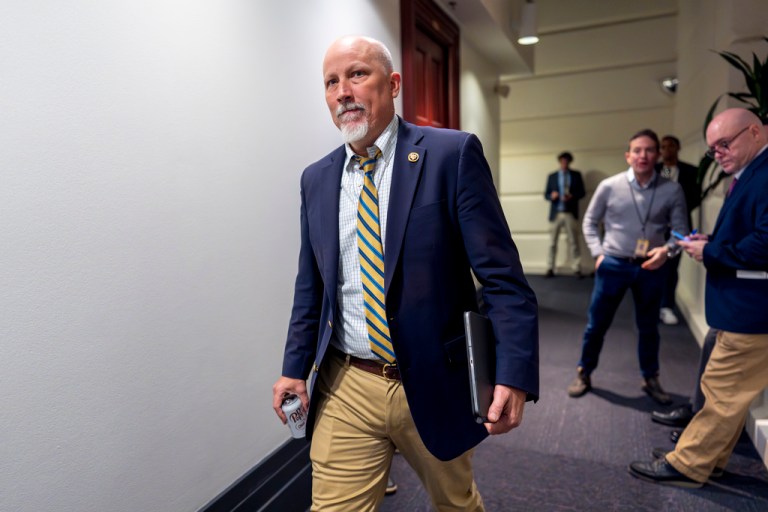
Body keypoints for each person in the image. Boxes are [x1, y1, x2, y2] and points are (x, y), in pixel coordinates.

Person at [271, 35, 539, 511]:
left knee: (455, 503)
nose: (342, 92)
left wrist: (513, 372)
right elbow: (310, 287)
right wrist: (295, 369)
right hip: (347, 381)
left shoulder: (450, 156)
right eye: (331, 82)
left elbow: (503, 279)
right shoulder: (316, 178)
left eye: (356, 74)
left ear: (392, 83)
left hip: (435, 378)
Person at [630, 108, 768, 488]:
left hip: (752, 309)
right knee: (724, 391)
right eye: (712, 149)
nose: (718, 153)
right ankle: (711, 460)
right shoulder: (750, 173)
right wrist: (712, 242)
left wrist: (710, 253)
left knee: (721, 392)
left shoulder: (765, 174)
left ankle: (688, 465)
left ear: (754, 132)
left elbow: (765, 243)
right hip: (742, 305)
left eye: (725, 144)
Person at [567, 129, 688, 404]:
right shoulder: (610, 186)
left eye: (648, 150)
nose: (643, 155)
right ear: (628, 155)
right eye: (637, 150)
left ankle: (650, 377)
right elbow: (589, 222)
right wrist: (598, 254)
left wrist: (667, 252)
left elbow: (680, 232)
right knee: (597, 324)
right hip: (613, 264)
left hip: (651, 267)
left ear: (657, 155)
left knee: (648, 327)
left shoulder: (672, 189)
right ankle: (584, 372)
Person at [655, 136, 702, 325]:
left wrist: (676, 208)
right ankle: (653, 304)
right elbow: (656, 196)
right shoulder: (660, 171)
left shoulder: (690, 171)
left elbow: (696, 198)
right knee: (655, 266)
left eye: (671, 146)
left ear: (678, 147)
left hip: (678, 227)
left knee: (671, 267)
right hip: (657, 227)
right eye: (663, 147)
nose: (667, 150)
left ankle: (666, 306)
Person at [544, 152, 586, 278]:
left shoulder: (576, 175)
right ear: (560, 161)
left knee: (574, 241)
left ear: (569, 162)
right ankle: (550, 267)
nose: (564, 163)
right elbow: (546, 194)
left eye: (566, 161)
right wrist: (552, 196)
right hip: (556, 212)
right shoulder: (552, 176)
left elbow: (582, 193)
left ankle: (577, 268)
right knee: (552, 242)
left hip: (570, 213)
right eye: (562, 161)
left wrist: (572, 196)